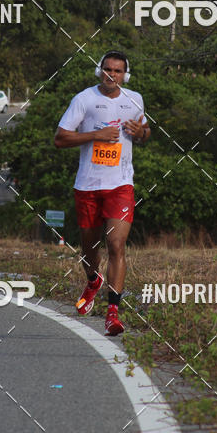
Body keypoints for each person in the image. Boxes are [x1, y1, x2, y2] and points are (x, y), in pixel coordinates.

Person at [54, 51, 150, 335]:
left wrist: (140, 133)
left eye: (117, 71)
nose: (112, 75)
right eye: (108, 69)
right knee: (89, 247)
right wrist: (96, 135)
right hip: (88, 185)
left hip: (120, 184)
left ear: (125, 75)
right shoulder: (84, 99)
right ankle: (93, 280)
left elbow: (145, 133)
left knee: (116, 244)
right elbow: (60, 138)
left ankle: (113, 313)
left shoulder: (134, 99)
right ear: (100, 71)